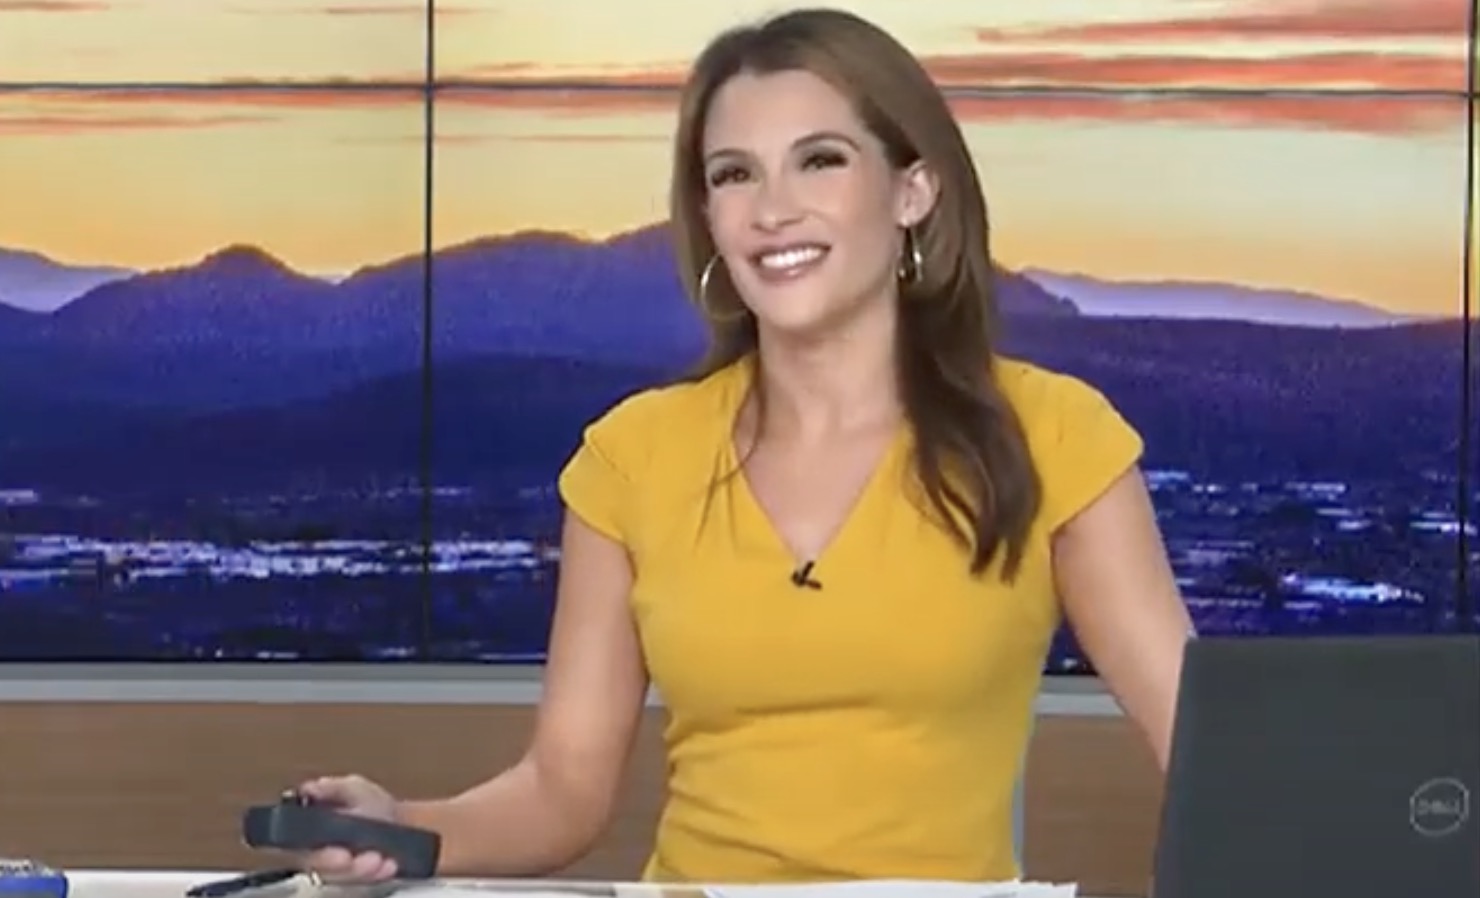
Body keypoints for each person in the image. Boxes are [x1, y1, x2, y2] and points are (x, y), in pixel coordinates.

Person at [294, 6, 1193, 887]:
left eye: (820, 161)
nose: (772, 210)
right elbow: (562, 792)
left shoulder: (1053, 438)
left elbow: (1205, 748)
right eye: (734, 175)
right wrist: (400, 825)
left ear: (912, 191)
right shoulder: (633, 457)